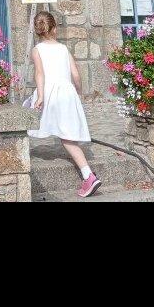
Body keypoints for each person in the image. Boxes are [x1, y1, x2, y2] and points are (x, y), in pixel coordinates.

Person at [27, 10, 100, 198]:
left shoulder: (37, 50)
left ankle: (89, 176)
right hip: (67, 92)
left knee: (27, 118)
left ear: (37, 30)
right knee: (67, 135)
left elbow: (40, 74)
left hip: (50, 92)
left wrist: (41, 95)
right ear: (54, 28)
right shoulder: (63, 48)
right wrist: (78, 91)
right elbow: (75, 74)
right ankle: (87, 175)